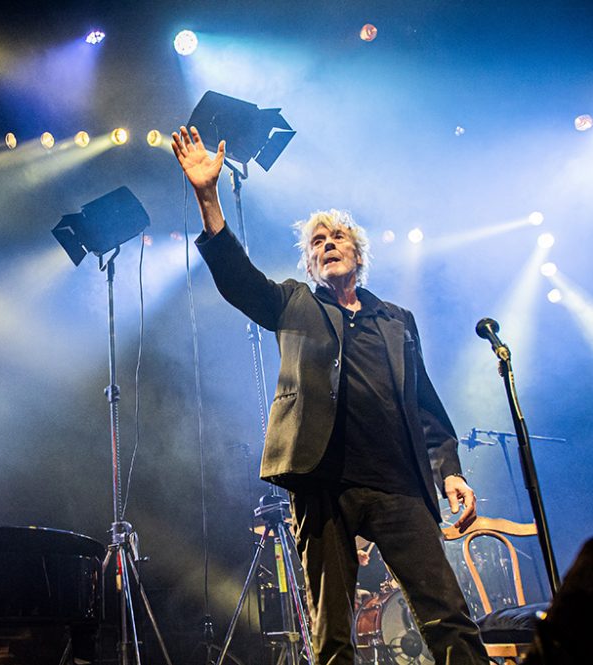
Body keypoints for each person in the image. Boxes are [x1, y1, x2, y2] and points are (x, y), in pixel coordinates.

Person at [171, 126, 488, 665]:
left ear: (357, 256)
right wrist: (208, 195)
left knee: (448, 615)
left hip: (399, 482)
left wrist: (449, 468)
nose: (328, 246)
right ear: (310, 264)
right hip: (323, 481)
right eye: (317, 243)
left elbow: (426, 406)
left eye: (337, 238)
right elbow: (237, 279)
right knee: (333, 632)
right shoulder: (294, 304)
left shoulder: (396, 320)